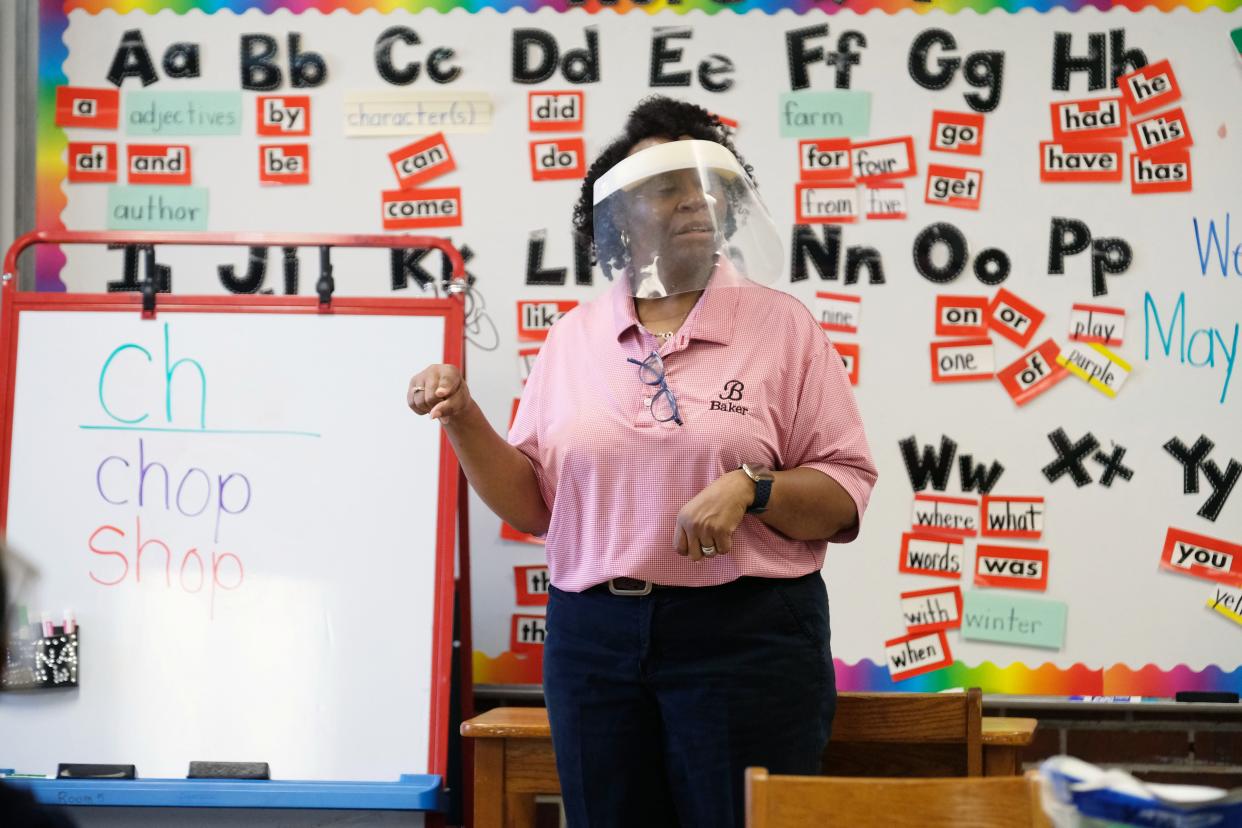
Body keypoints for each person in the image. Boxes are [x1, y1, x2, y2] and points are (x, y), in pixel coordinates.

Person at [407, 95, 877, 827]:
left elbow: (845, 491)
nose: (694, 200)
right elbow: (537, 505)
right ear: (620, 216)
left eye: (707, 185)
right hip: (593, 640)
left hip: (745, 634)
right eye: (667, 186)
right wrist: (463, 416)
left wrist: (752, 489)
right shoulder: (573, 338)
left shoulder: (782, 327)